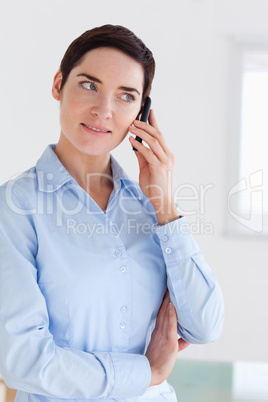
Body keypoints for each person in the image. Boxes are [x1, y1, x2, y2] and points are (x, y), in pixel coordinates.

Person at [0, 24, 224, 401]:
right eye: (89, 85)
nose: (103, 110)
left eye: (125, 96)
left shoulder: (150, 208)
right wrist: (146, 373)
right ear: (58, 84)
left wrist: (165, 205)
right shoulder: (16, 207)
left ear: (142, 112)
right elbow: (23, 361)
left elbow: (204, 326)